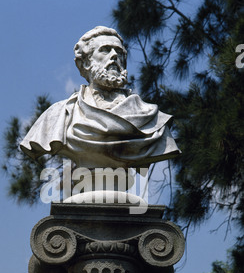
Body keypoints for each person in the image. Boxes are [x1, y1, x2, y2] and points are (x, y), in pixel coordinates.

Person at [20, 26, 180, 168]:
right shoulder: (58, 116)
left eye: (120, 52)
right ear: (85, 63)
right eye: (105, 50)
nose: (114, 56)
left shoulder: (151, 117)